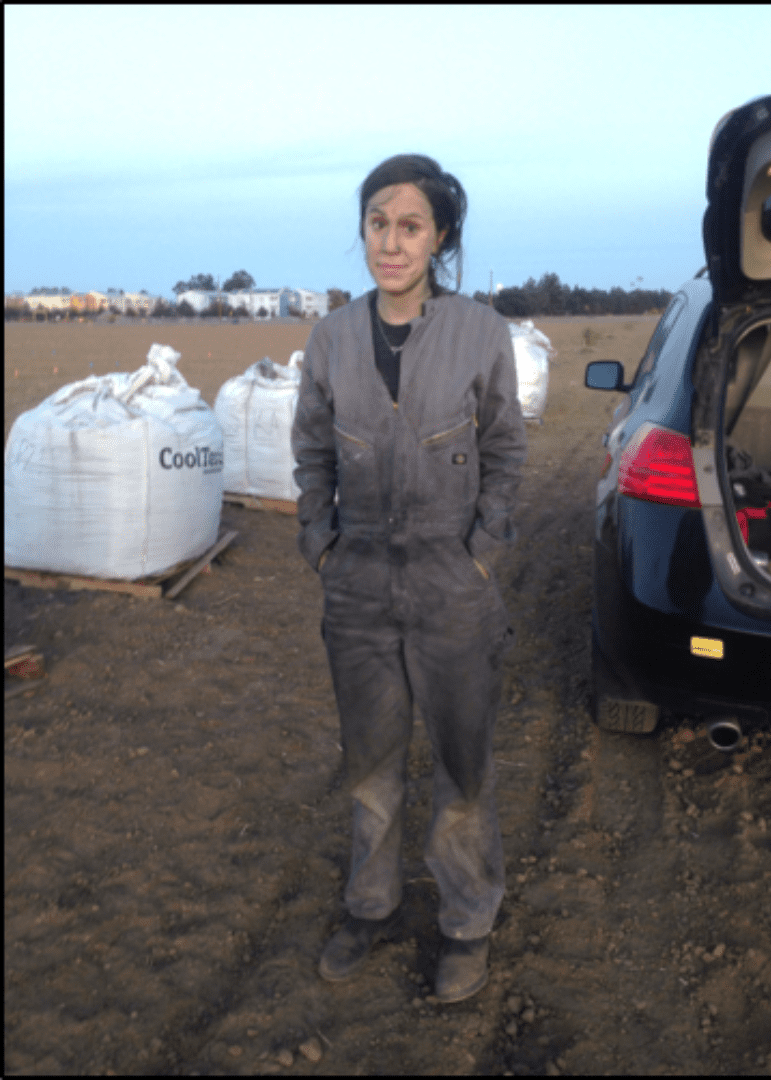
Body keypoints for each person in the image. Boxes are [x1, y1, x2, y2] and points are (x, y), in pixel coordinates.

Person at [291, 153, 527, 1003]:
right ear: (362, 232)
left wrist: (479, 550)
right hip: (355, 586)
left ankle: (466, 923)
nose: (391, 243)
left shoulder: (478, 332)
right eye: (377, 223)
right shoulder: (331, 337)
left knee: (462, 767)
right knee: (370, 764)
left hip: (449, 584)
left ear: (440, 238)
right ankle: (370, 906)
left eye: (410, 225)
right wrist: (320, 541)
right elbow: (311, 449)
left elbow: (504, 449)